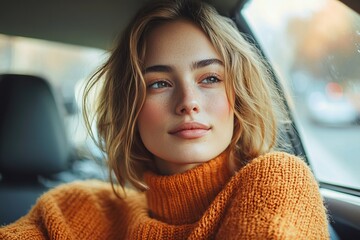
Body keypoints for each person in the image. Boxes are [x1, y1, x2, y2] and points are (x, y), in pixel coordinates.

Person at [0, 0, 329, 239]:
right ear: (130, 106)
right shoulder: (73, 209)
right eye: (159, 83)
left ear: (239, 94)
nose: (188, 103)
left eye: (210, 78)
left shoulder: (277, 179)